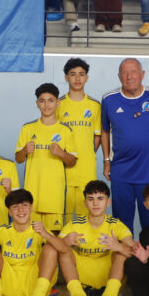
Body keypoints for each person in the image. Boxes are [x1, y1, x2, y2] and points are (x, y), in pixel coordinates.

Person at [100, 58, 149, 232]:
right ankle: (124, 259)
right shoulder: (109, 99)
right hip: (121, 172)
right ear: (119, 76)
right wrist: (106, 160)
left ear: (142, 74)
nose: (129, 76)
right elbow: (104, 131)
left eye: (133, 71)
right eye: (124, 72)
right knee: (121, 224)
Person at [58, 180, 132, 296]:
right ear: (85, 203)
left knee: (121, 252)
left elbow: (135, 252)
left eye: (100, 198)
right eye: (90, 199)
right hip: (82, 278)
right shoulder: (75, 223)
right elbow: (53, 250)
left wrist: (118, 246)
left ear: (108, 202)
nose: (95, 203)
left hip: (108, 276)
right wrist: (65, 242)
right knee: (64, 250)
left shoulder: (115, 225)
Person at [15, 83, 78, 233]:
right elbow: (18, 159)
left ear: (57, 103)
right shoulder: (28, 128)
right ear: (37, 104)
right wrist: (24, 150)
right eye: (42, 101)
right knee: (32, 235)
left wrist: (61, 153)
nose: (46, 104)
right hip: (32, 193)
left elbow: (73, 161)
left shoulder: (65, 130)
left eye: (50, 100)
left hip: (54, 195)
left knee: (54, 237)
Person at [58, 58, 101, 221]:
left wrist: (87, 151)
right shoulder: (58, 104)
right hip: (63, 170)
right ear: (66, 78)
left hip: (86, 168)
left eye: (81, 74)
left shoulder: (94, 105)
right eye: (73, 74)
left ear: (86, 78)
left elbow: (98, 135)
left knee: (87, 216)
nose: (77, 78)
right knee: (64, 219)